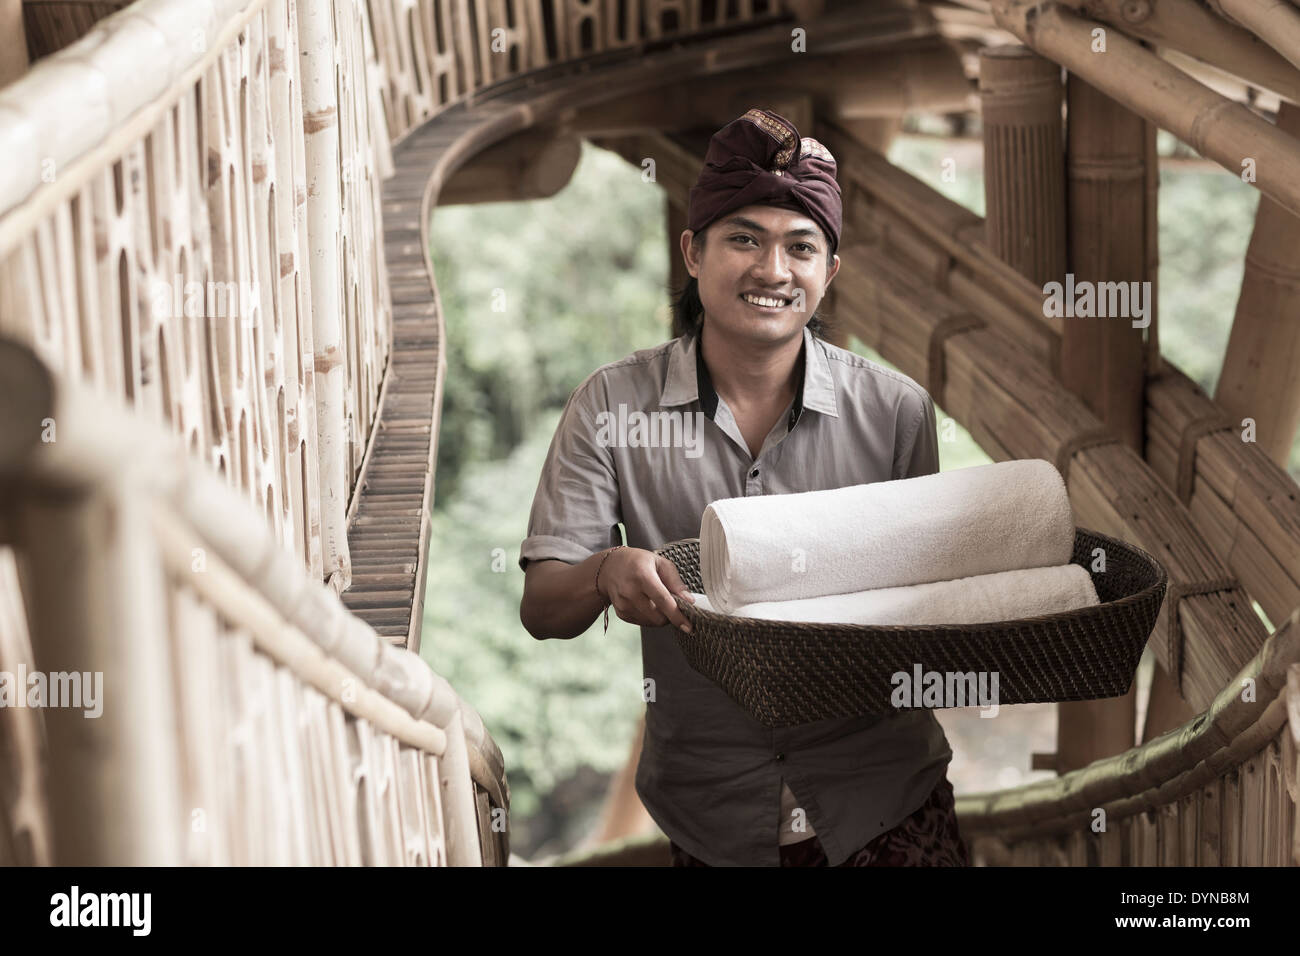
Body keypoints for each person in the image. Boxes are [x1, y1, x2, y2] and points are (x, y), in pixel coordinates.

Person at [518, 107, 969, 867]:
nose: (772, 270)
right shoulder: (612, 406)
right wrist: (604, 571)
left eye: (800, 246)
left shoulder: (896, 413)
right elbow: (541, 607)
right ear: (693, 251)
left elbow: (919, 607)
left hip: (887, 803)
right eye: (743, 239)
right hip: (715, 821)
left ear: (829, 271)